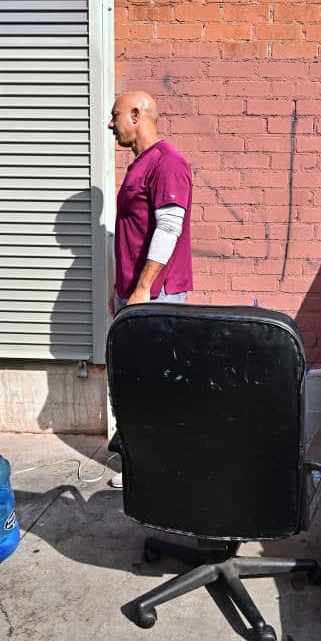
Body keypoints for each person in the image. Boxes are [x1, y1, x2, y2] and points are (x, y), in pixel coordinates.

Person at [106, 90, 194, 489]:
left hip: (156, 296)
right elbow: (132, 233)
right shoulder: (140, 165)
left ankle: (160, 473)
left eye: (115, 116)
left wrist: (142, 288)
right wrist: (120, 288)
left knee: (158, 384)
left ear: (137, 115)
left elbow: (169, 228)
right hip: (135, 293)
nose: (111, 124)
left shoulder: (167, 163)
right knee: (139, 383)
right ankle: (144, 468)